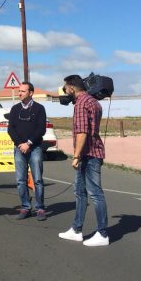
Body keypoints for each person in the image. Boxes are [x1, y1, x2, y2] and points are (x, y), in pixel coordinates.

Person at [58, 74, 109, 247]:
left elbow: (82, 132)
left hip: (89, 154)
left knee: (95, 194)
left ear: (72, 88)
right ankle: (76, 230)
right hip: (92, 152)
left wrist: (76, 156)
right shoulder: (93, 101)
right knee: (80, 192)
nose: (65, 91)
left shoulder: (81, 104)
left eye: (65, 88)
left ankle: (102, 234)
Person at [7, 82, 47, 221]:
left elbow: (41, 129)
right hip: (19, 149)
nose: (20, 93)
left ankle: (40, 208)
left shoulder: (39, 109)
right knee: (20, 180)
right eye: (19, 91)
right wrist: (20, 144)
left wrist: (29, 143)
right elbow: (10, 129)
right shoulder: (15, 109)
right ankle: (25, 207)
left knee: (38, 180)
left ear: (30, 93)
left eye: (23, 91)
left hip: (34, 148)